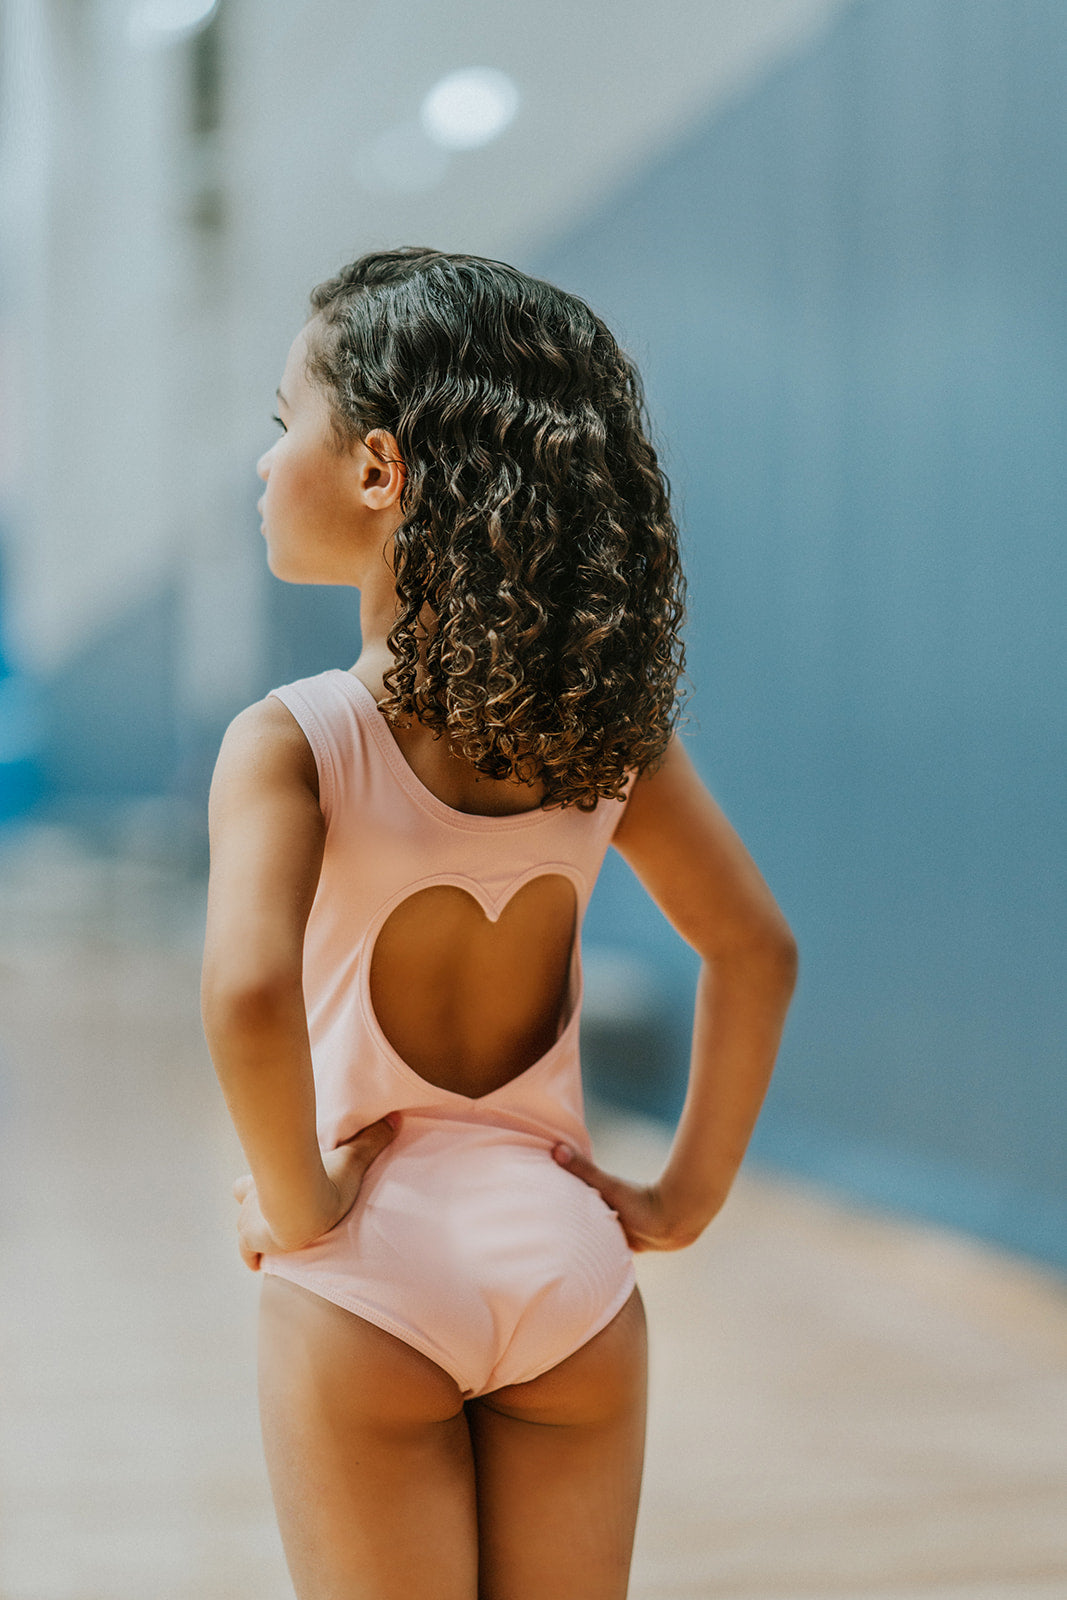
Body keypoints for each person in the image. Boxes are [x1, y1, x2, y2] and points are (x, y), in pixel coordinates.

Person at [201, 247, 798, 1600]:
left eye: (281, 422)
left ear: (376, 470)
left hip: (368, 1279)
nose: (262, 463)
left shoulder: (293, 741)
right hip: (570, 1270)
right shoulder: (606, 737)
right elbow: (757, 949)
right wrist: (679, 1199)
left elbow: (244, 998)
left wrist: (298, 1206)